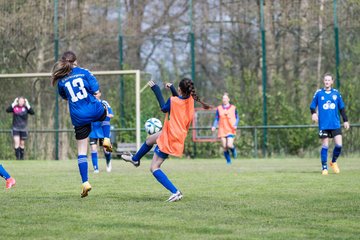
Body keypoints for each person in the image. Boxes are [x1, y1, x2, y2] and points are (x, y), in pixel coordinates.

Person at [121, 78, 210, 202]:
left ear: (180, 89)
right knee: (149, 140)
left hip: (170, 136)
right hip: (175, 134)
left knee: (154, 167)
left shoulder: (174, 100)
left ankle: (175, 192)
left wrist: (156, 89)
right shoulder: (190, 99)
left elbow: (164, 107)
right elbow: (178, 100)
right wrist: (173, 89)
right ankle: (135, 159)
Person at [51, 50, 112, 198]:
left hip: (78, 116)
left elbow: (65, 97)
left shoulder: (60, 80)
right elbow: (96, 91)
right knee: (105, 109)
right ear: (75, 61)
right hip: (93, 109)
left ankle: (85, 182)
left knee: (82, 151)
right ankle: (106, 139)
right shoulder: (84, 72)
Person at [310, 73, 350, 175]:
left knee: (339, 145)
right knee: (325, 146)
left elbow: (342, 108)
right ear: (324, 81)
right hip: (324, 125)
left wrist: (345, 120)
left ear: (332, 82)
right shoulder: (319, 93)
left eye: (329, 80)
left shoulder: (336, 93)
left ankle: (333, 162)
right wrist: (314, 113)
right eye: (325, 80)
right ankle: (324, 168)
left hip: (335, 124)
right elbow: (312, 106)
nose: (327, 82)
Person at [89, 91, 114, 173]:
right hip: (93, 130)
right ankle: (96, 169)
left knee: (106, 149)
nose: (95, 95)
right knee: (93, 148)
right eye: (93, 94)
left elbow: (111, 115)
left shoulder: (104, 103)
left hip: (103, 129)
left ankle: (108, 162)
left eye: (96, 93)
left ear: (100, 94)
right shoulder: (89, 104)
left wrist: (103, 116)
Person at [211, 93, 239, 164]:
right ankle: (228, 161)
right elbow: (217, 118)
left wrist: (235, 124)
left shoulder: (233, 108)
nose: (224, 100)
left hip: (230, 129)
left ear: (228, 99)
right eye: (223, 98)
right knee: (224, 146)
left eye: (226, 98)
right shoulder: (219, 108)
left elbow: (237, 117)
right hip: (222, 129)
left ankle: (233, 150)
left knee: (229, 145)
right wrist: (214, 126)